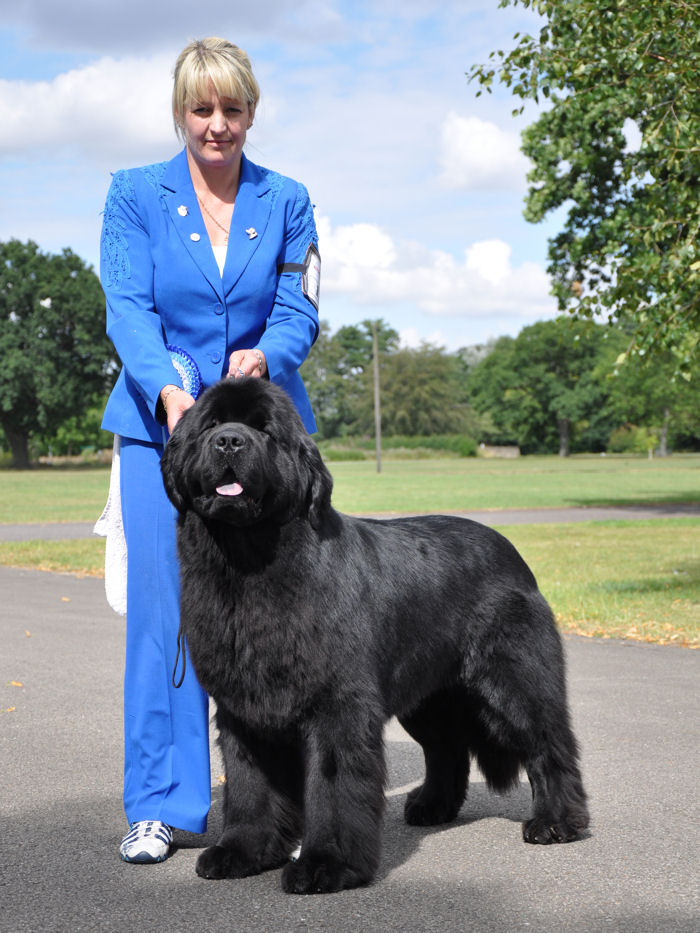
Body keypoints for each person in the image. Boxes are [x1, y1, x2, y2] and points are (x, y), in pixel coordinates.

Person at [97, 37, 320, 864]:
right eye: (202, 108)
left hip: (268, 443)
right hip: (164, 434)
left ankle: (288, 810)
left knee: (292, 620)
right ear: (181, 112)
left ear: (252, 112)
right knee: (170, 621)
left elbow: (301, 304)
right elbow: (126, 305)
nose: (216, 125)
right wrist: (168, 390)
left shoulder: (289, 199)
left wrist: (268, 354)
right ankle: (163, 802)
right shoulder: (133, 195)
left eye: (232, 109)